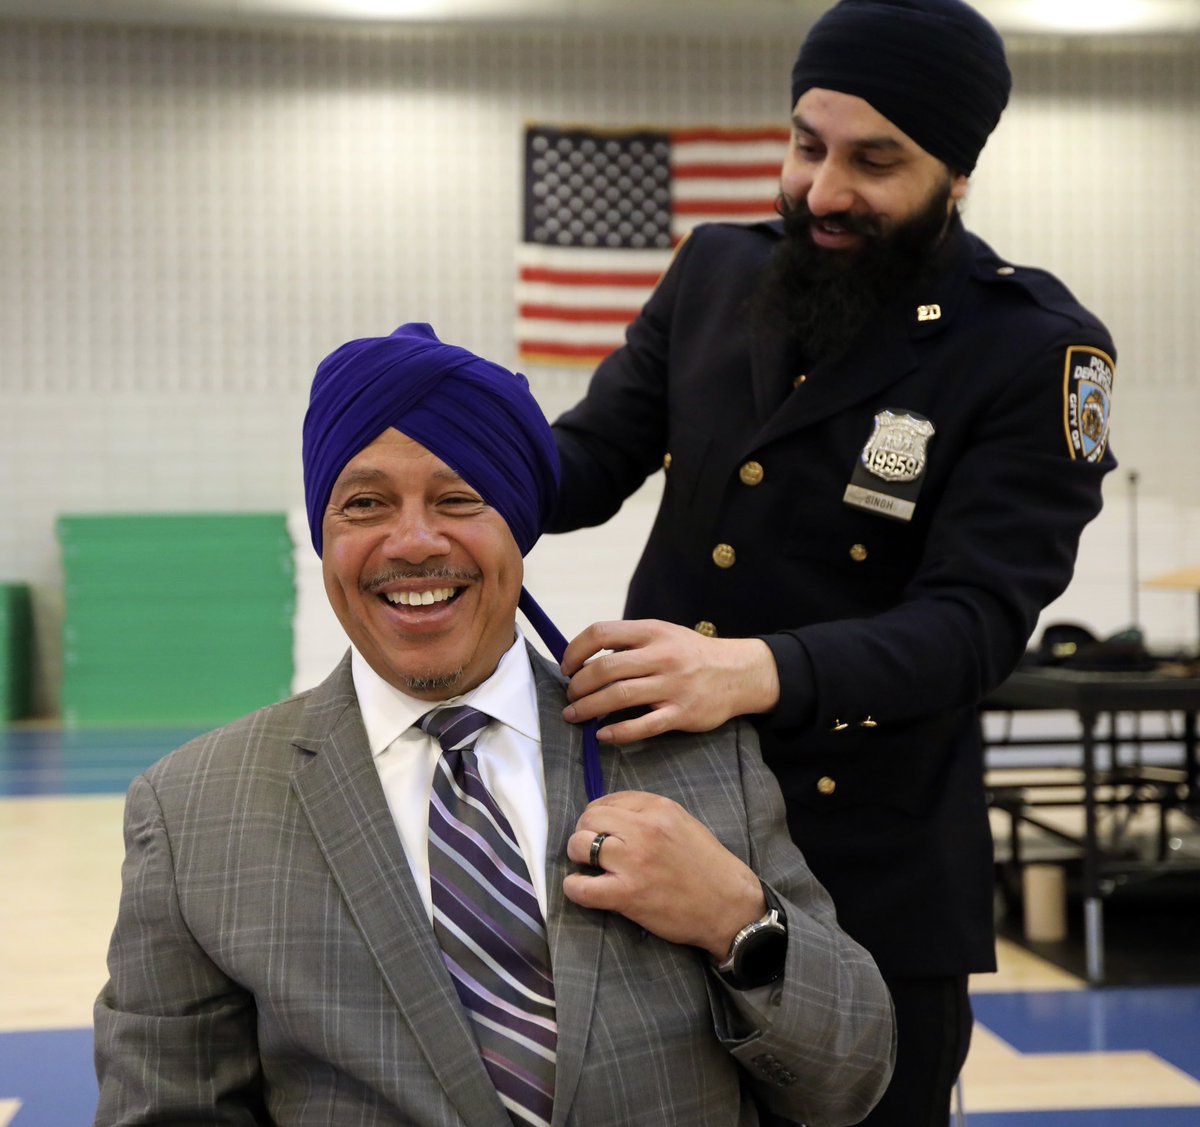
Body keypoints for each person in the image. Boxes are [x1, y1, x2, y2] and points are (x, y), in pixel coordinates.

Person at [92, 322, 895, 1127]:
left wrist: (736, 917)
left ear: (517, 522)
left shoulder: (691, 753)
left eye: (458, 499)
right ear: (325, 534)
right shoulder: (194, 811)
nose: (411, 540)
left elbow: (849, 1077)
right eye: (365, 503)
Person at [546, 1, 1118, 1124]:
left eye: (875, 160)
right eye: (807, 143)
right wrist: (451, 464)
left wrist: (754, 669)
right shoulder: (715, 270)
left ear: (957, 172)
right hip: (663, 834)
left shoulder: (1032, 348)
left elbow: (973, 623)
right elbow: (586, 459)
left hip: (869, 882)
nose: (822, 189)